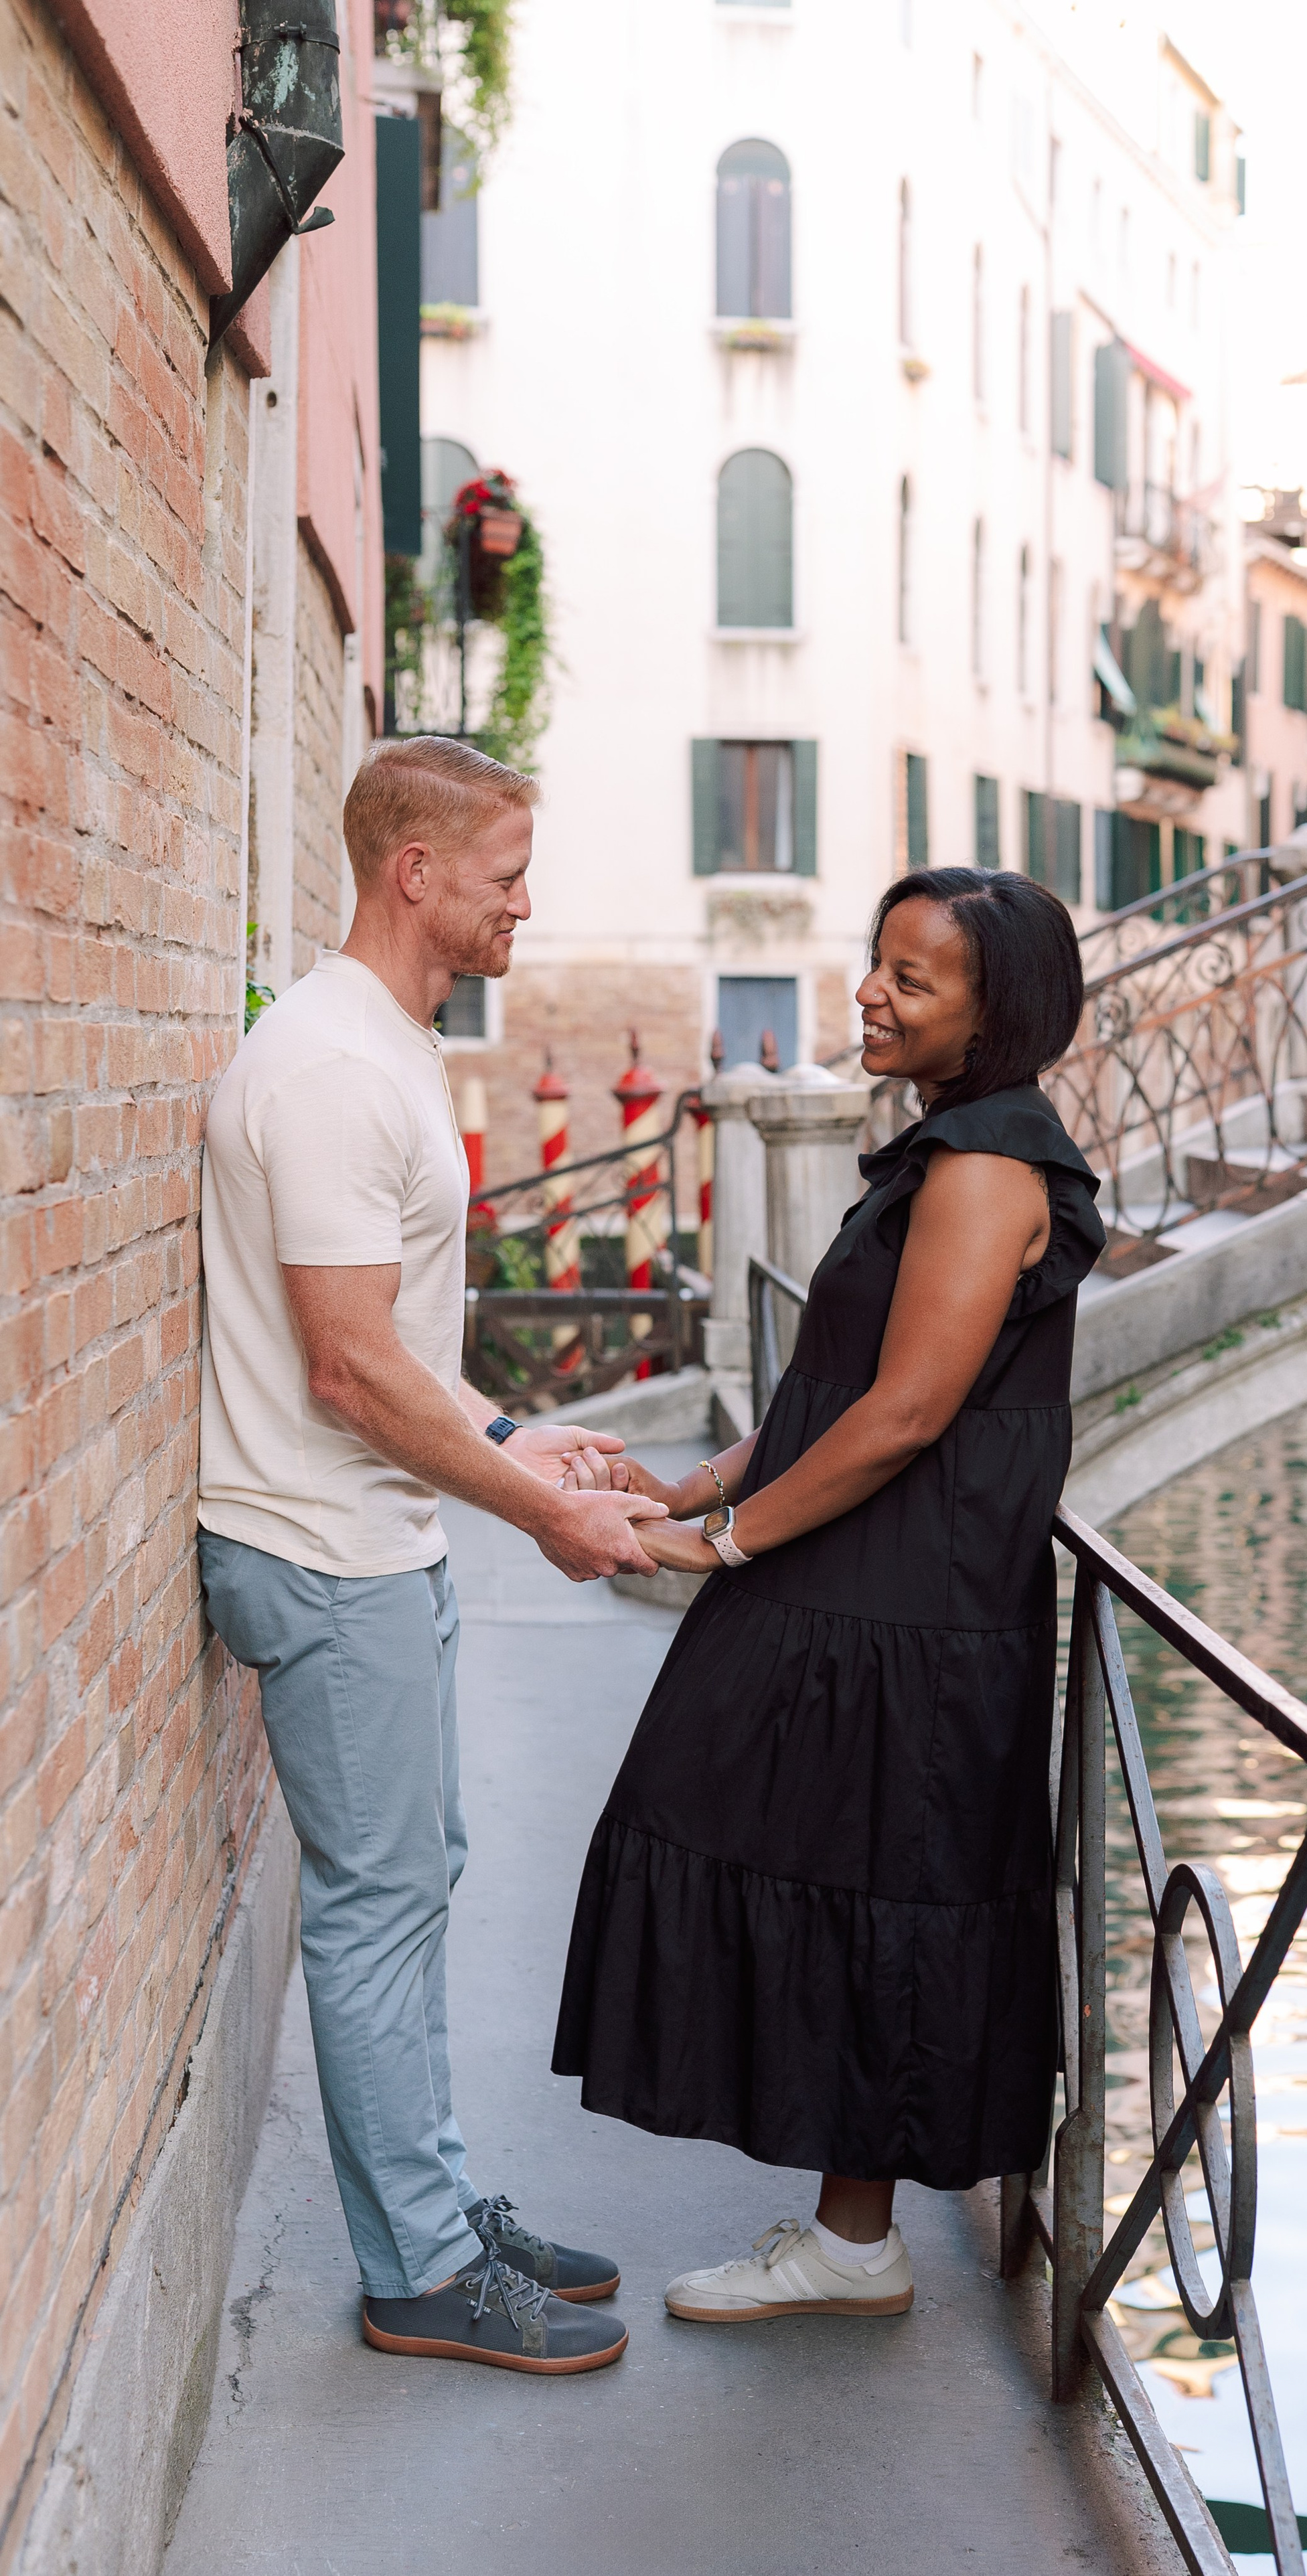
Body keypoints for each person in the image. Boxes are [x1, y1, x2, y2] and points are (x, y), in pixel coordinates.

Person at [554, 866, 1101, 2321]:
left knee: (865, 1885)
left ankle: (854, 2240)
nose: (869, 991)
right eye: (878, 963)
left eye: (910, 980)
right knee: (808, 1859)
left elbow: (907, 1412)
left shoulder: (987, 1173)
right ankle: (847, 2234)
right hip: (866, 1592)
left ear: (994, 1020)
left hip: (911, 1613)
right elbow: (829, 1393)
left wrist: (724, 1546)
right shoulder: (942, 1153)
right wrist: (690, 1486)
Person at [197, 736, 668, 2375]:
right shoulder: (330, 1066)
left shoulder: (384, 1047)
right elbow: (341, 1364)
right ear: (417, 873)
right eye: (505, 873)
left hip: (372, 1541)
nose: (524, 904)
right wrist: (537, 1511)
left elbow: (394, 1344)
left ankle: (439, 2208)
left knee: (416, 1881)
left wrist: (511, 1435)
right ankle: (414, 2270)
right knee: (379, 1906)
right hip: (325, 1555)